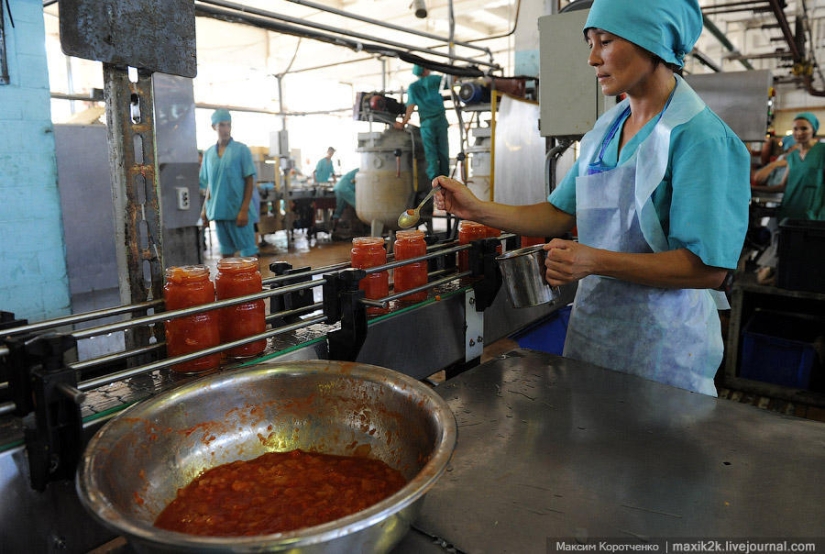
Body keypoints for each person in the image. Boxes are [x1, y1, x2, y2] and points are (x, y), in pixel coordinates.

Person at [433, 0, 751, 396]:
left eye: (605, 41)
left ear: (652, 41)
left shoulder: (700, 138)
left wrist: (594, 260)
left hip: (664, 351)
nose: (592, 58)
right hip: (595, 332)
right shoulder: (605, 128)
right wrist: (476, 208)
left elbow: (708, 270)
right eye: (589, 42)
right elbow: (557, 213)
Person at [199, 109, 258, 258]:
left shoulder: (241, 150)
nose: (226, 129)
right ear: (214, 127)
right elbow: (210, 186)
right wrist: (205, 210)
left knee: (248, 255)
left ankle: (251, 283)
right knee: (226, 255)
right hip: (219, 212)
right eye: (222, 125)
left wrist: (244, 210)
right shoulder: (209, 154)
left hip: (239, 212)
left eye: (228, 125)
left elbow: (249, 180)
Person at [752, 113, 825, 221]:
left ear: (813, 130)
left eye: (804, 128)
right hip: (791, 210)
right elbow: (783, 186)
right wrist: (753, 189)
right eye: (795, 129)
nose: (799, 132)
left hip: (814, 213)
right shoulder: (792, 156)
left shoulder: (822, 151)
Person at [394, 65, 450, 182]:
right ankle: (446, 180)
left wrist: (403, 122)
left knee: (431, 154)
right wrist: (454, 71)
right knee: (443, 152)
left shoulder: (413, 87)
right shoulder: (435, 79)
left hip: (427, 124)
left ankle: (435, 182)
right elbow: (450, 81)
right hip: (440, 121)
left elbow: (411, 106)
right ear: (425, 70)